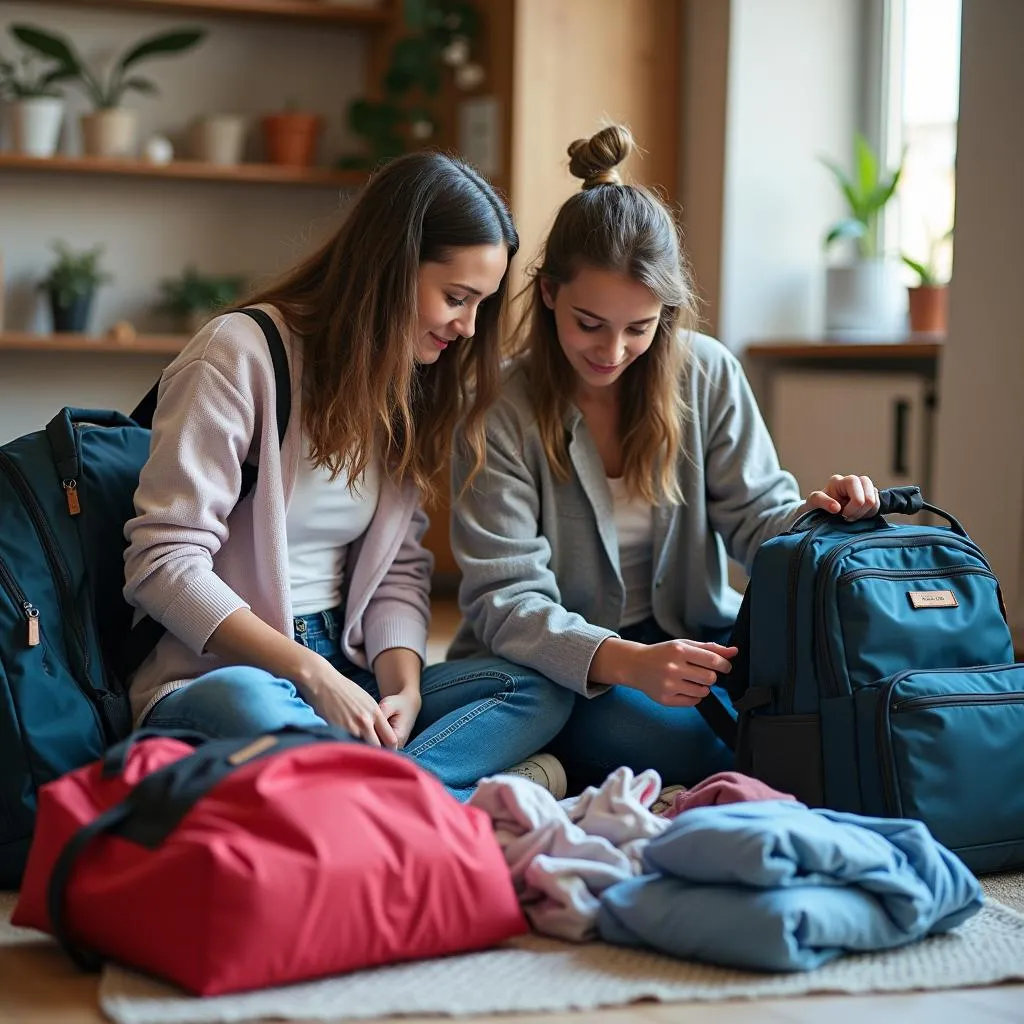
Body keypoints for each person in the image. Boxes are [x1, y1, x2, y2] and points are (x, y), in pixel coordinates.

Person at [123, 151, 574, 801]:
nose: (468, 326)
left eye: (481, 304)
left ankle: (386, 798)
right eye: (455, 297)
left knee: (535, 685)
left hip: (345, 661)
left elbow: (398, 570)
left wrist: (404, 686)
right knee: (259, 709)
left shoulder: (407, 380)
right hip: (224, 671)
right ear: (390, 268)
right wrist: (308, 672)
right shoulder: (237, 354)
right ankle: (447, 800)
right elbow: (163, 563)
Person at [448, 125, 880, 793]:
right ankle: (543, 763)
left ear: (666, 315)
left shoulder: (706, 375)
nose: (613, 351)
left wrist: (823, 513)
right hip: (557, 665)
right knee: (717, 754)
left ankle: (553, 773)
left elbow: (760, 517)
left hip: (692, 642)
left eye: (639, 328)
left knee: (812, 725)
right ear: (548, 292)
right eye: (589, 322)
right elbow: (507, 601)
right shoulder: (500, 406)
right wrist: (626, 663)